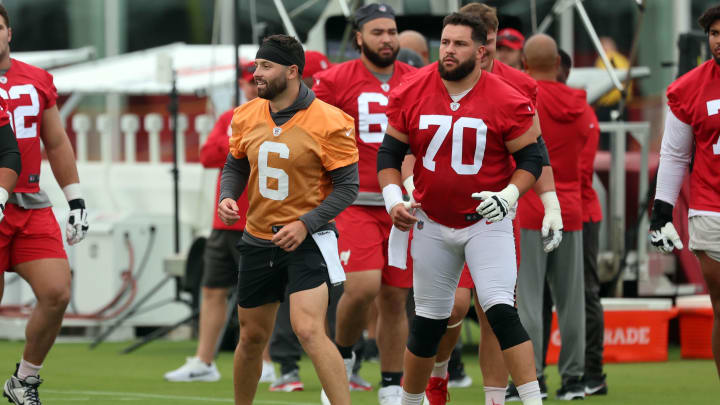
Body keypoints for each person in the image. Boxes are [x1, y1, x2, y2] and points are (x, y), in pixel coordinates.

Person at [379, 12, 545, 405]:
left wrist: (508, 195)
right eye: (445, 42)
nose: (449, 51)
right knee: (427, 324)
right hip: (432, 221)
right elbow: (390, 152)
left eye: (460, 44)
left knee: (502, 313)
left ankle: (531, 401)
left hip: (486, 223)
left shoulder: (505, 96)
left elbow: (532, 160)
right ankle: (410, 401)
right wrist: (392, 200)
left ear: (481, 51)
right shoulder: (413, 88)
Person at [417, 4, 562, 405]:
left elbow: (534, 150)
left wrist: (550, 203)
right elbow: (412, 137)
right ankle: (439, 372)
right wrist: (410, 184)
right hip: (443, 212)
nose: (486, 51)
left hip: (495, 213)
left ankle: (494, 398)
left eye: (491, 42)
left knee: (494, 311)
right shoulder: (434, 79)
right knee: (451, 306)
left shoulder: (518, 85)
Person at [218, 34, 358, 405]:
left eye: (266, 66)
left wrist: (305, 224)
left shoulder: (330, 121)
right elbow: (235, 163)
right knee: (250, 337)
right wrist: (227, 195)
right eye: (256, 65)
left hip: (307, 241)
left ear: (293, 71)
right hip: (258, 239)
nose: (256, 72)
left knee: (310, 330)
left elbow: (348, 187)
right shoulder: (246, 114)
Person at [313, 4, 417, 404]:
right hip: (354, 200)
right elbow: (316, 136)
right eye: (377, 32)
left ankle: (392, 383)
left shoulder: (418, 78)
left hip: (402, 204)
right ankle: (341, 361)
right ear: (358, 36)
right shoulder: (335, 81)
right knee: (362, 287)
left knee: (395, 297)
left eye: (392, 31)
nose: (387, 39)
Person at [0, 4, 90, 405]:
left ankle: (24, 379)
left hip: (30, 202)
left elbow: (55, 142)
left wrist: (75, 199)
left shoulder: (36, 79)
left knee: (56, 292)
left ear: (9, 32)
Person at [164, 65, 277, 384]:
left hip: (259, 218)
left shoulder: (279, 116)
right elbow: (209, 155)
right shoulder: (232, 116)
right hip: (225, 219)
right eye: (249, 82)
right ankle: (204, 359)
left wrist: (237, 143)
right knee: (213, 289)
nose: (253, 88)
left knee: (260, 295)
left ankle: (266, 360)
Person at [515, 33, 590, 401]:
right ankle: (574, 378)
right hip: (570, 207)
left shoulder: (522, 100)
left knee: (528, 299)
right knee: (571, 300)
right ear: (559, 65)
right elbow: (586, 155)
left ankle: (533, 377)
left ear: (524, 64)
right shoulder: (580, 105)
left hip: (530, 207)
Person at [649, 4, 720, 381]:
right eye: (714, 34)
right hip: (712, 208)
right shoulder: (689, 87)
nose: (719, 41)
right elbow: (675, 154)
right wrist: (661, 212)